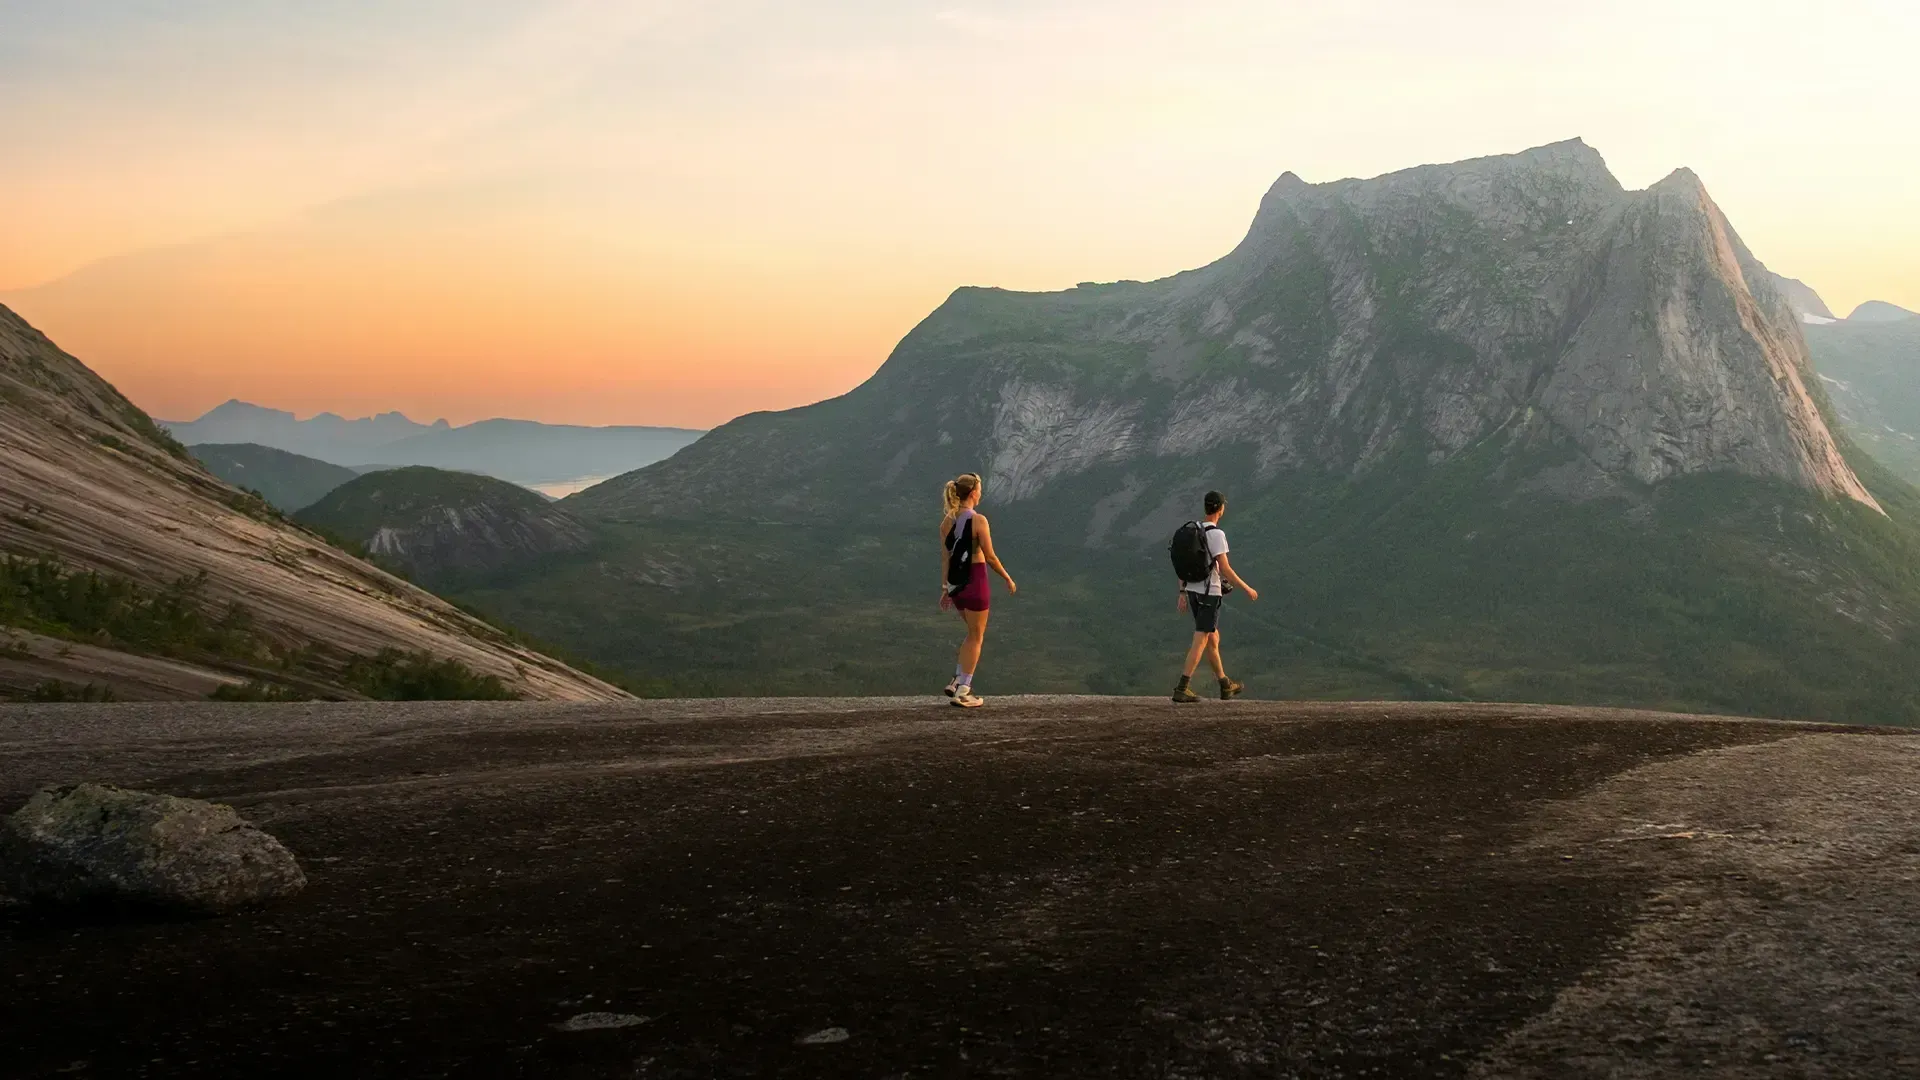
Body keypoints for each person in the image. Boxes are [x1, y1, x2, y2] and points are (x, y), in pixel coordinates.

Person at [939, 473, 1016, 708]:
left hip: (956, 586)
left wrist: (946, 588)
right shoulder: (979, 520)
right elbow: (990, 556)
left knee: (971, 633)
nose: (981, 493)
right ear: (973, 493)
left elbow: (946, 559)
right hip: (975, 581)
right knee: (976, 636)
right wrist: (1007, 577)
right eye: (980, 489)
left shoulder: (946, 522)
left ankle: (956, 680)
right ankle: (964, 690)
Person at [1173, 490, 1257, 703]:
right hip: (1209, 593)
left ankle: (1224, 684)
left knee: (1212, 637)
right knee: (1201, 638)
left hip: (1192, 591)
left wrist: (1182, 592)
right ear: (1221, 509)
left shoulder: (1194, 530)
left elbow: (1184, 564)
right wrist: (1247, 588)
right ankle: (1182, 687)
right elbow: (1225, 569)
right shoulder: (1216, 534)